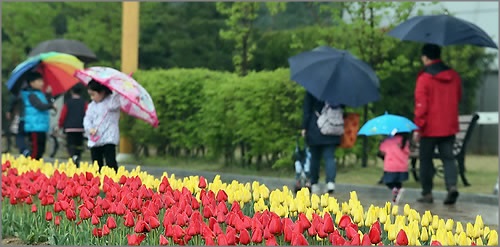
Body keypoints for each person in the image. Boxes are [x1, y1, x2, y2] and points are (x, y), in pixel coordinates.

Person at [413, 43, 462, 205]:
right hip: (448, 126)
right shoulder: (453, 75)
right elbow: (459, 96)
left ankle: (427, 193)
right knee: (448, 158)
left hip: (429, 128)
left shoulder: (425, 78)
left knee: (425, 159)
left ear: (425, 57)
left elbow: (421, 105)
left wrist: (418, 127)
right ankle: (452, 186)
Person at [301, 91, 342, 195]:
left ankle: (314, 183)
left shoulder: (312, 89)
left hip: (315, 127)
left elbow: (307, 110)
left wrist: (304, 127)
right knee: (329, 157)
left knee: (315, 158)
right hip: (332, 127)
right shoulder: (338, 89)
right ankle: (330, 183)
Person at [83, 80, 120, 172]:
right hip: (95, 137)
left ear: (102, 92)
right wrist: (89, 128)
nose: (92, 98)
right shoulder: (92, 106)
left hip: (109, 137)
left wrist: (117, 91)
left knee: (110, 162)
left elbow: (117, 102)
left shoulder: (111, 102)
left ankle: (113, 180)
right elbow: (87, 119)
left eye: (93, 94)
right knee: (96, 163)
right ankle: (98, 181)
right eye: (90, 95)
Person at [20, 72, 56, 160]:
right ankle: (30, 169)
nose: (42, 83)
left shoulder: (40, 93)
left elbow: (45, 103)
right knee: (35, 150)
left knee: (41, 149)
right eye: (39, 81)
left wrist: (48, 95)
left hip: (41, 126)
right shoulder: (31, 94)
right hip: (34, 126)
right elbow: (40, 106)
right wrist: (51, 106)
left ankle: (36, 169)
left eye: (42, 81)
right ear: (31, 83)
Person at [58, 84, 88, 167]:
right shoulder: (84, 103)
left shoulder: (68, 103)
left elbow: (63, 115)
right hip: (80, 127)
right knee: (79, 144)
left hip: (69, 127)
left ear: (71, 91)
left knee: (70, 144)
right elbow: (87, 114)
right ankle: (77, 156)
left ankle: (72, 156)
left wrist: (60, 124)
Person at [379, 133, 410, 204]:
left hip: (390, 166)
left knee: (387, 181)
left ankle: (395, 190)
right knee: (398, 182)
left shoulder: (388, 141)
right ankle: (396, 197)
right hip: (402, 167)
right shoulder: (405, 141)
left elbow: (382, 152)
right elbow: (408, 152)